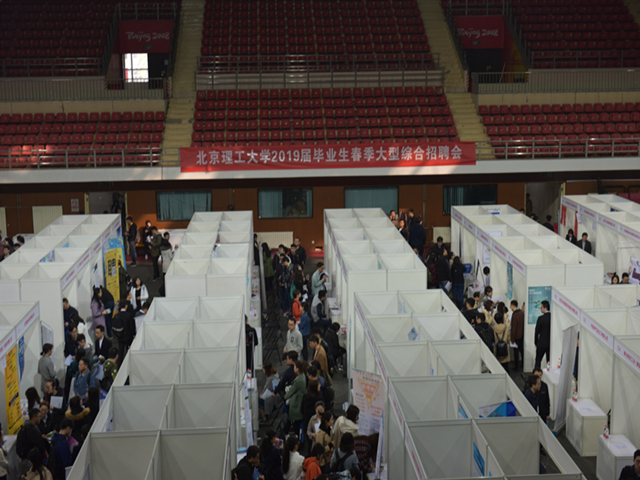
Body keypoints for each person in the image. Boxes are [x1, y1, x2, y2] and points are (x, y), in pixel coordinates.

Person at [285, 361, 307, 434]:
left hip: (297, 404)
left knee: (296, 425)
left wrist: (284, 397)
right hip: (299, 402)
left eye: (294, 367)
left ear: (297, 369)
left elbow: (291, 391)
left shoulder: (299, 380)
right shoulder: (302, 376)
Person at [534, 300, 551, 369]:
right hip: (550, 343)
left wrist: (536, 342)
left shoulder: (540, 318)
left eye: (541, 307)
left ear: (545, 308)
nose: (540, 309)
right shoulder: (552, 318)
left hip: (541, 343)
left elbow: (537, 331)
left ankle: (537, 373)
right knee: (549, 362)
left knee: (538, 360)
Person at [510, 300, 525, 371]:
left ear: (512, 306)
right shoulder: (522, 313)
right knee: (522, 351)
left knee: (516, 352)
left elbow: (514, 328)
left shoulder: (515, 315)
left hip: (516, 336)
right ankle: (523, 364)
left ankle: (516, 366)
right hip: (522, 335)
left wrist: (512, 339)